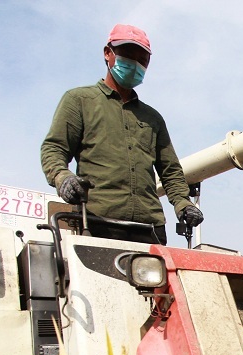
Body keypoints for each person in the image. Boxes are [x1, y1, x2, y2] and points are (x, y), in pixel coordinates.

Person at [40, 24, 203, 244]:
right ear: (108, 53)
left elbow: (170, 170)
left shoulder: (153, 118)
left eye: (142, 60)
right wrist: (63, 177)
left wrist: (183, 204)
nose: (135, 64)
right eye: (127, 55)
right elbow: (54, 149)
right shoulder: (79, 101)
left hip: (149, 227)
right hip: (97, 221)